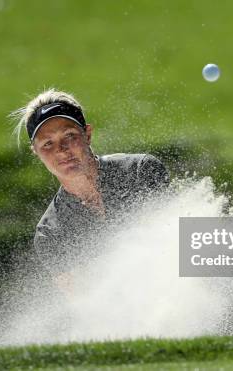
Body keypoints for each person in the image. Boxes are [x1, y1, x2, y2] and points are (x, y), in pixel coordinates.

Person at [12, 88, 170, 289]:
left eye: (69, 136)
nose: (61, 150)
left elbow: (177, 247)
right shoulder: (51, 233)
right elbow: (84, 303)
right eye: (48, 143)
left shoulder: (140, 171)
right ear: (36, 153)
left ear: (87, 134)